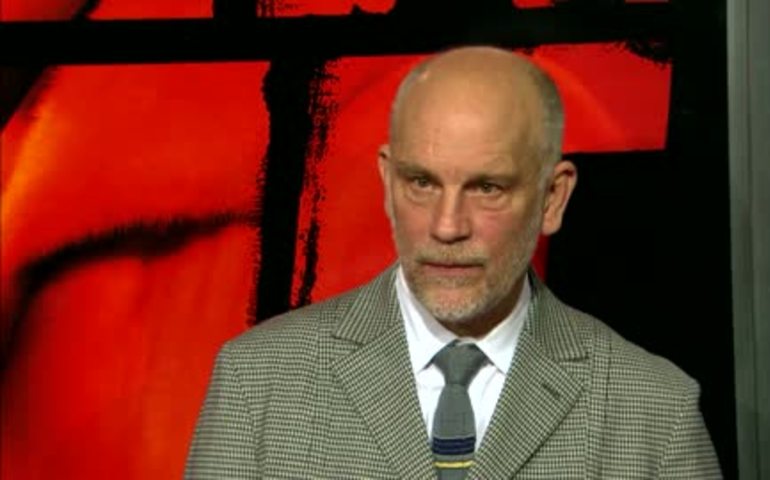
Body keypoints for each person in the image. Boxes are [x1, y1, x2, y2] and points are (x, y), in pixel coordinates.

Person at [184, 46, 722, 479]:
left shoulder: (652, 409)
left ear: (552, 198)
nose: (447, 227)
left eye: (487, 188)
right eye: (422, 183)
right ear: (387, 182)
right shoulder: (258, 381)